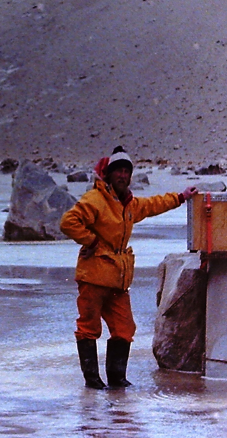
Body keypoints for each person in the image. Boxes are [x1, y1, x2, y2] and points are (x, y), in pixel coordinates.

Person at [60, 146, 198, 389]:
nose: (123, 176)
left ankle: (116, 378)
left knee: (124, 328)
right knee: (88, 327)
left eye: (126, 171)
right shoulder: (95, 199)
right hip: (94, 276)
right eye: (118, 171)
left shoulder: (129, 204)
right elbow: (68, 222)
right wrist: (91, 241)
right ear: (109, 174)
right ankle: (92, 380)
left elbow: (153, 204)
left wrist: (181, 197)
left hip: (117, 280)